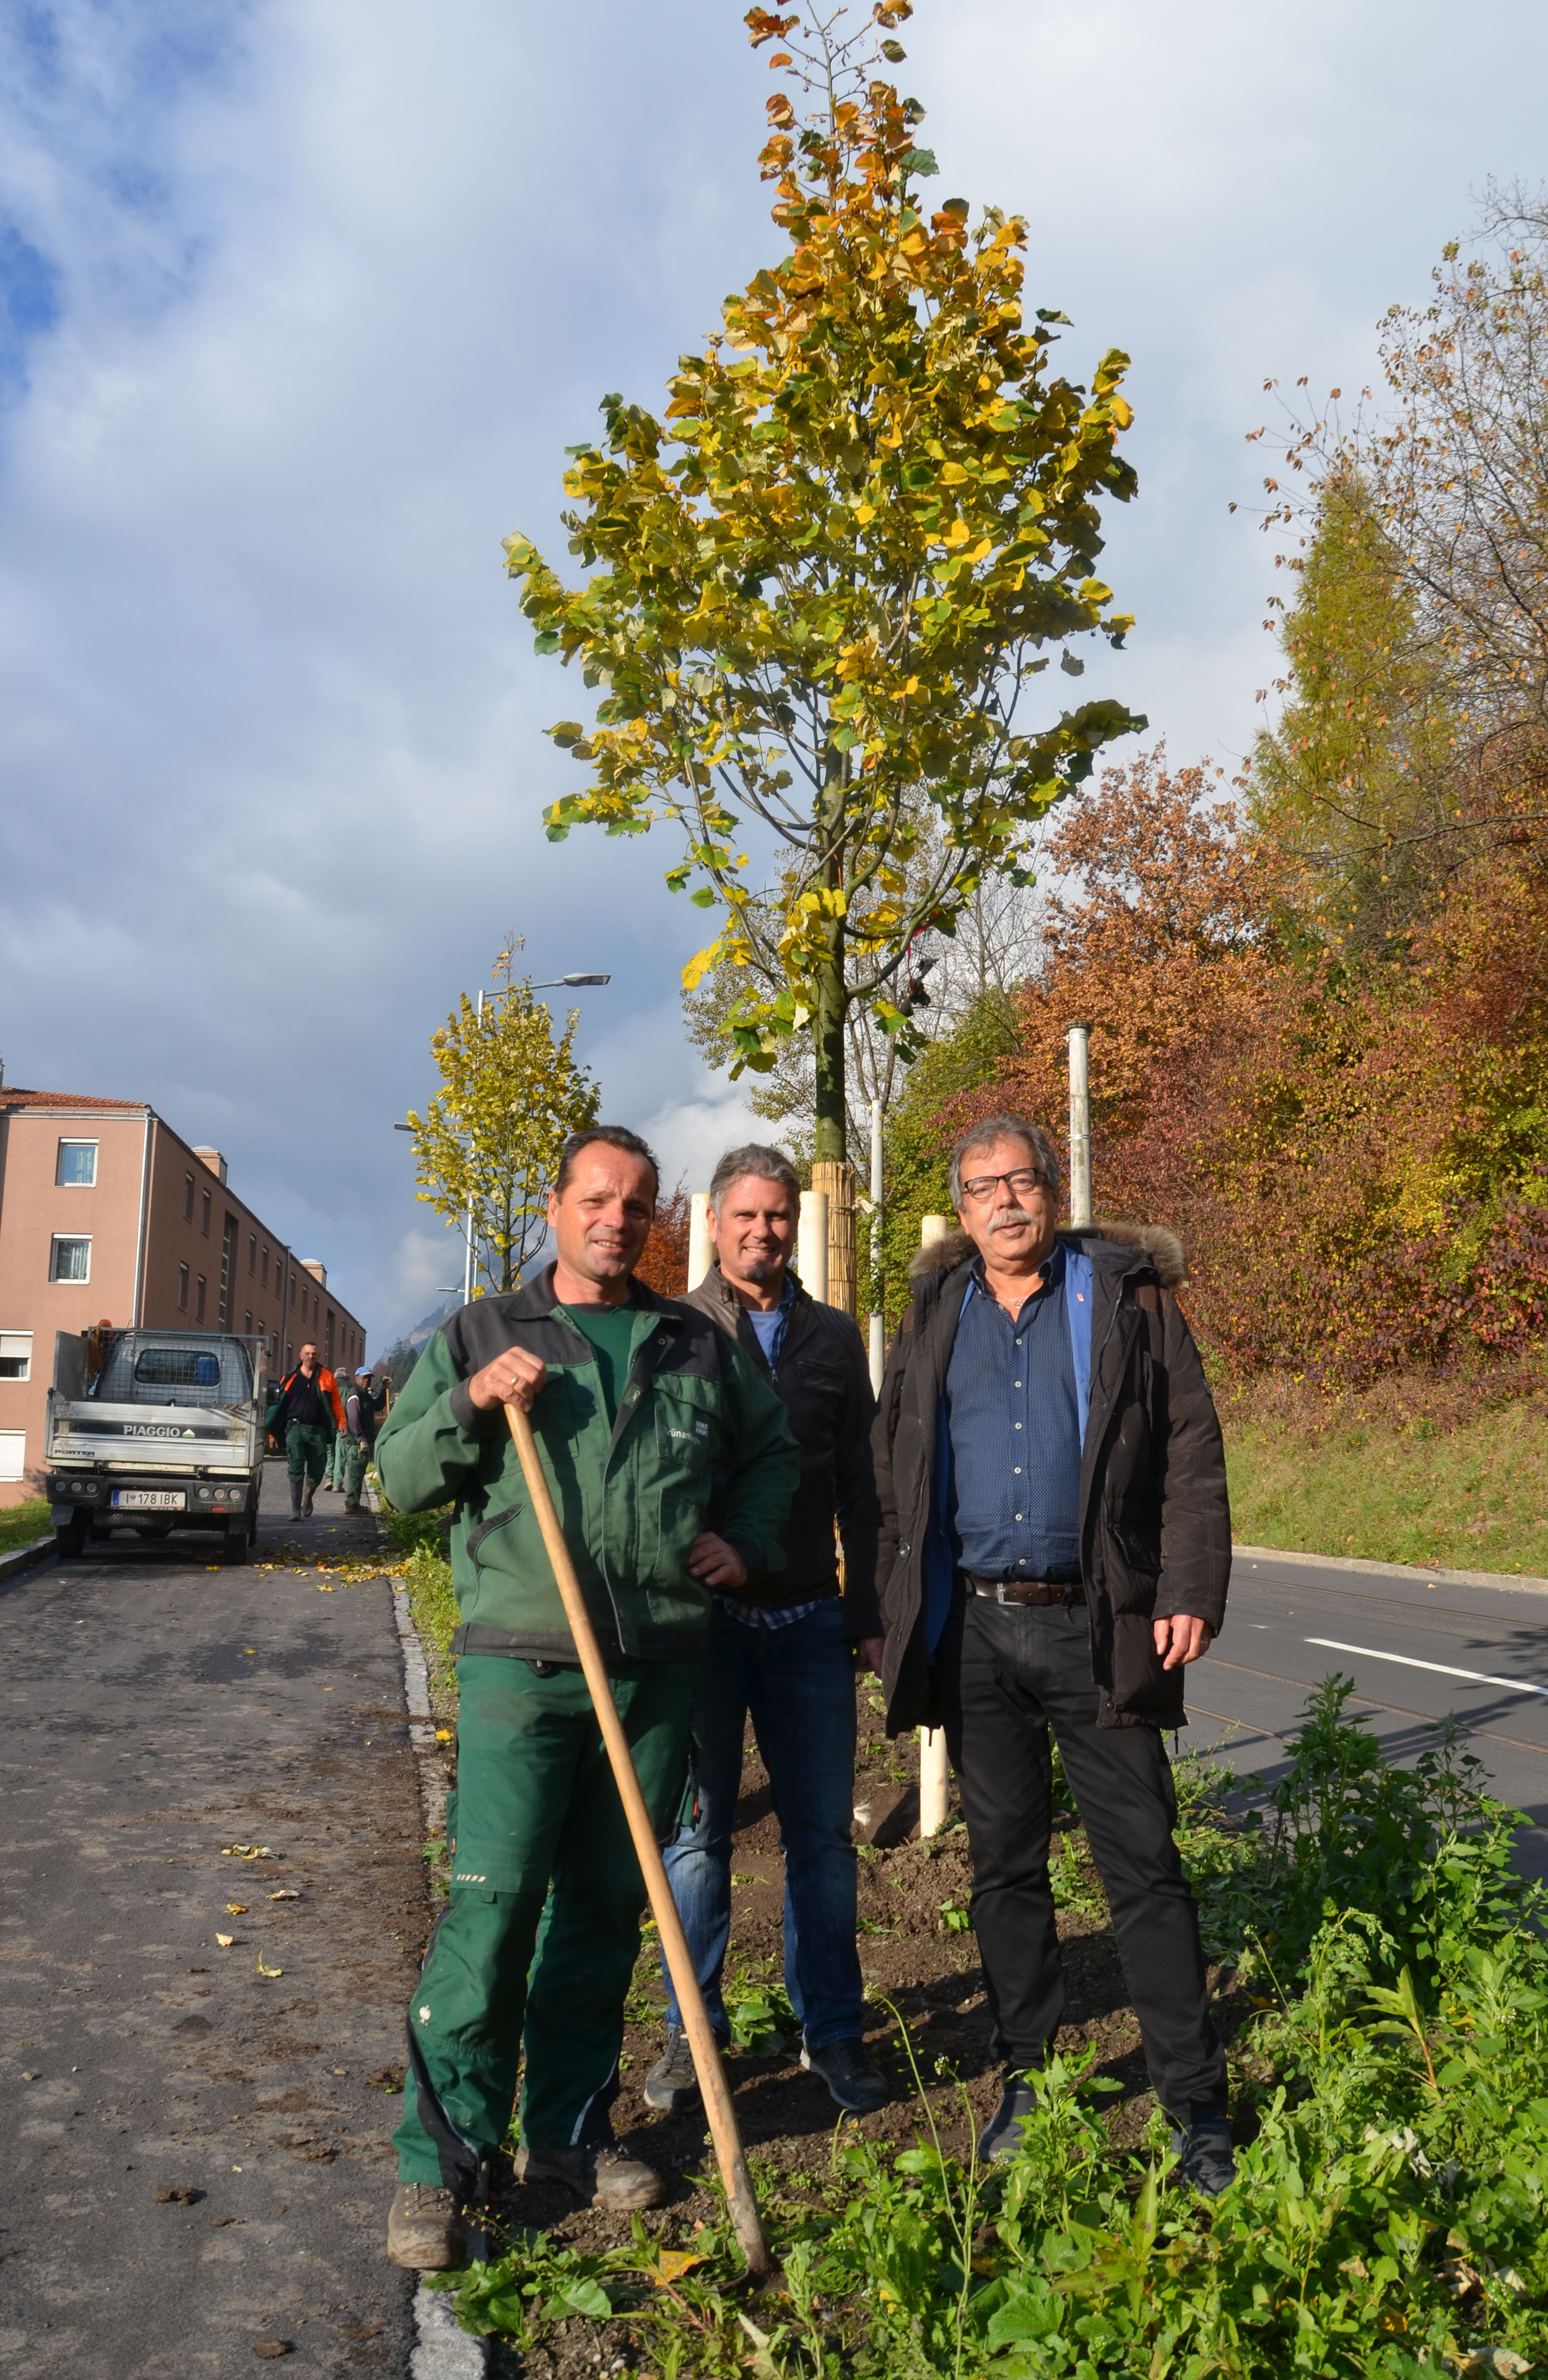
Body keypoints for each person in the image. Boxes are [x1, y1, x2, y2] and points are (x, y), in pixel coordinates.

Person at [373, 1125, 798, 2273]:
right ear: (557, 1208)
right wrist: (471, 1399)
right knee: (495, 1905)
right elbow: (398, 1477)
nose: (618, 1219)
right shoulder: (483, 1332)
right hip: (523, 1665)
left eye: (638, 1204)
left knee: (608, 1907)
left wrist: (747, 1540)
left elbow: (773, 1457)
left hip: (655, 1665)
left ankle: (566, 2136)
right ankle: (442, 2164)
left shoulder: (695, 1343)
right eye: (598, 1199)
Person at [872, 1114, 1235, 2194]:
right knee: (1004, 1868)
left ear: (1054, 1189)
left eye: (1022, 1180)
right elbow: (893, 1463)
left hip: (1099, 1624)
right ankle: (1027, 2077)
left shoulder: (1126, 1296)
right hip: (976, 1632)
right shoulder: (936, 1309)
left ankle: (1196, 2107)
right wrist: (889, 1605)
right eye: (984, 1187)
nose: (1006, 1201)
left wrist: (1188, 1587)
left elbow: (1191, 1445)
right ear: (962, 1206)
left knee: (1145, 1866)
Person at [645, 1144, 888, 2121]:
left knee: (821, 1839)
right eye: (744, 1216)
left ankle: (832, 2032)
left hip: (809, 1622)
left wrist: (868, 1610)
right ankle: (691, 2034)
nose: (762, 1231)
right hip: (701, 1628)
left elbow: (864, 1485)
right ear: (714, 1225)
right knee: (697, 1838)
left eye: (778, 1216)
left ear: (797, 1225)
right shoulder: (674, 1331)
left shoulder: (834, 1340)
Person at [269, 1341, 346, 1518]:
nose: (311, 1356)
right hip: (295, 1428)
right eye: (308, 1353)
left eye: (314, 1354)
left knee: (318, 1471)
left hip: (318, 1430)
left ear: (318, 1356)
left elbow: (336, 1402)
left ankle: (308, 1496)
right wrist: (273, 1433)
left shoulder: (327, 1377)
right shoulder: (290, 1378)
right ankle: (295, 1509)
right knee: (296, 1467)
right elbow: (278, 1407)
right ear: (301, 1355)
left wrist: (342, 1423)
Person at [342, 1365, 378, 1511]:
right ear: (356, 1378)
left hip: (360, 1442)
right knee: (355, 1473)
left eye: (369, 1378)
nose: (366, 1380)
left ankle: (354, 1503)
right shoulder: (355, 1395)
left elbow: (377, 1406)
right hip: (356, 1444)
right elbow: (354, 1418)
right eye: (364, 1377)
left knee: (359, 1472)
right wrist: (361, 1438)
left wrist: (384, 1389)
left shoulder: (365, 1395)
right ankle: (351, 1504)